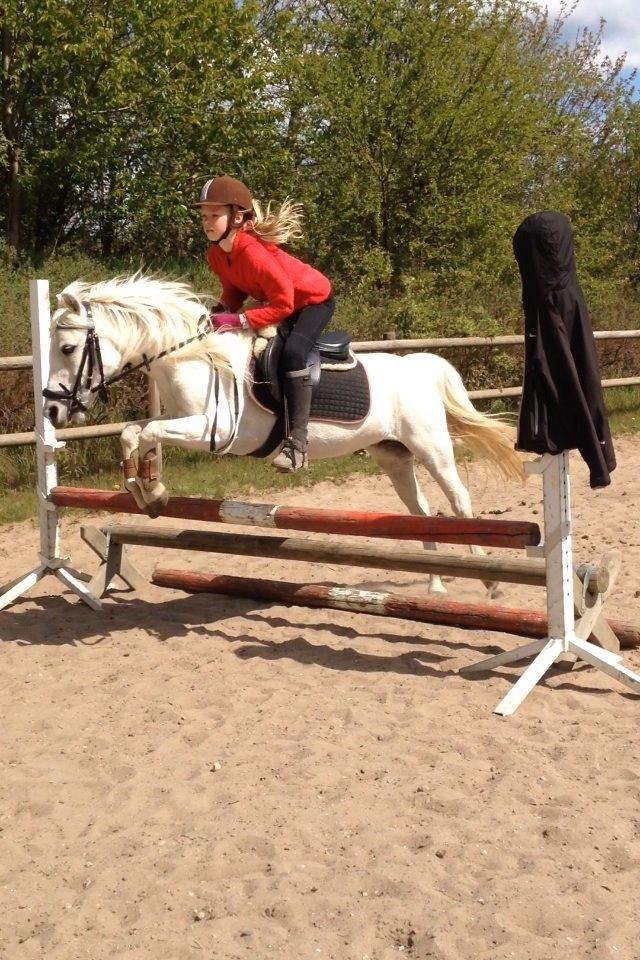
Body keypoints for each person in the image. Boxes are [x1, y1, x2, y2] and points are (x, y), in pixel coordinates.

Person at [194, 175, 335, 473]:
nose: (207, 222)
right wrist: (221, 310)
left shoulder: (254, 252)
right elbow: (235, 288)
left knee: (294, 353)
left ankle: (298, 445)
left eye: (214, 215)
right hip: (282, 303)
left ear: (237, 217)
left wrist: (239, 319)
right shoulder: (217, 253)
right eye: (204, 216)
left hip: (313, 301)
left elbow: (283, 304)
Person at [512, 210, 616, 488]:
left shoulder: (546, 304)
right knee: (584, 377)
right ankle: (602, 456)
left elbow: (563, 378)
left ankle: (598, 460)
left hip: (548, 306)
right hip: (564, 299)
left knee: (569, 377)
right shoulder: (569, 295)